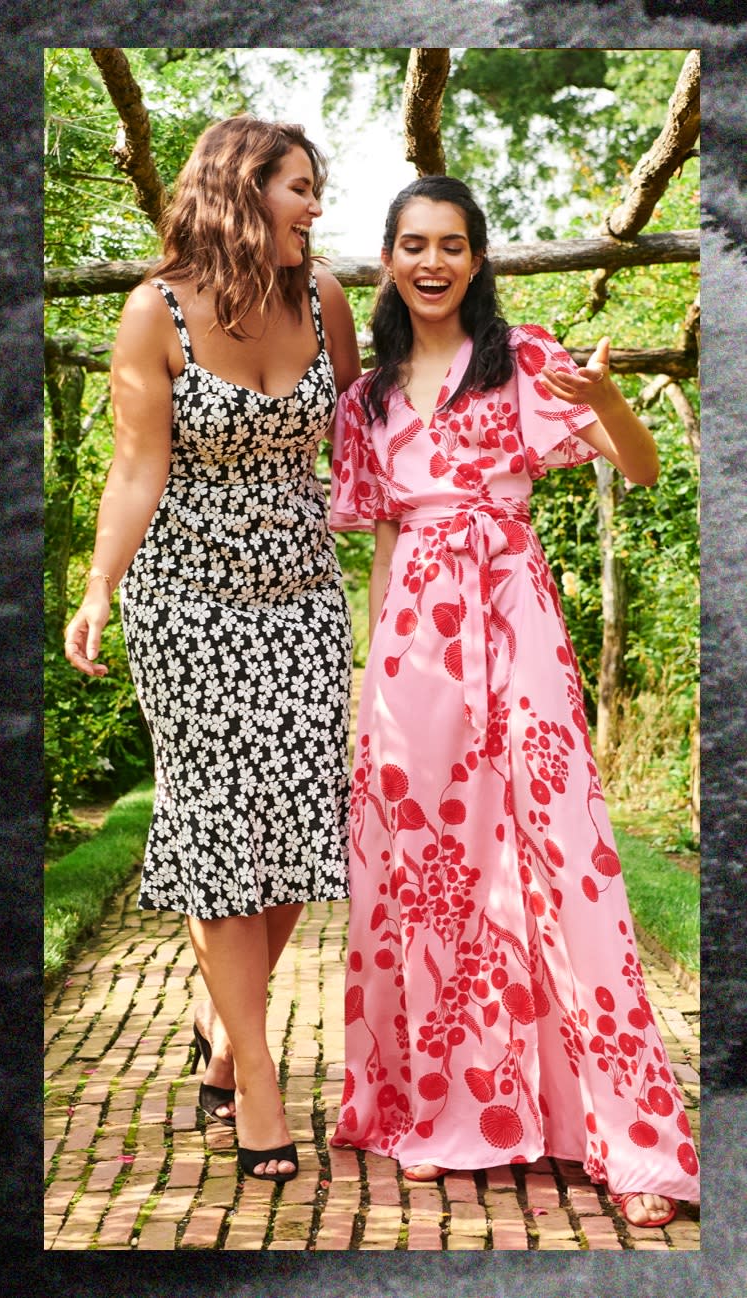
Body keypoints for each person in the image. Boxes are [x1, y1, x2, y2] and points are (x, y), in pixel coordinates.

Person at [328, 175, 699, 1228]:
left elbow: (643, 469)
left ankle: (626, 1139)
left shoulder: (530, 359)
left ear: (478, 259)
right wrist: (375, 677)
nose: (433, 261)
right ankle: (446, 1106)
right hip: (413, 650)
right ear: (390, 259)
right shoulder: (367, 402)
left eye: (452, 243)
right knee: (431, 869)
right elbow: (385, 543)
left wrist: (611, 403)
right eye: (413, 244)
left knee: (560, 850)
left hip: (516, 620)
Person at [64, 115, 361, 1183]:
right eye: (298, 187)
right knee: (222, 829)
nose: (315, 207)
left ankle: (215, 1016)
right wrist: (100, 585)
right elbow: (138, 465)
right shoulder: (158, 313)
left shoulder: (323, 300)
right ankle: (259, 1076)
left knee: (291, 827)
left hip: (305, 605)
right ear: (243, 190)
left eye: (315, 189)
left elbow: (357, 442)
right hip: (188, 607)